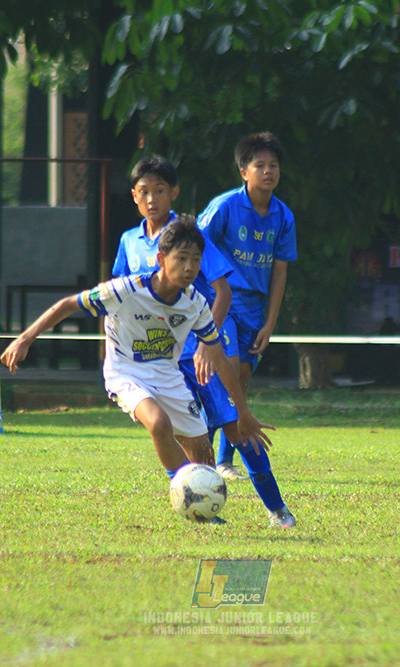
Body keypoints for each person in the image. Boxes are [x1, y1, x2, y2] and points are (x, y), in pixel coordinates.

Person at [0, 217, 273, 524]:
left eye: (196, 260)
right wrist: (25, 338)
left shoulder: (195, 303)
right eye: (181, 258)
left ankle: (203, 506)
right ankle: (188, 495)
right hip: (125, 373)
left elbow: (219, 358)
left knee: (202, 453)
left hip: (167, 374)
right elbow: (68, 304)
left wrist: (243, 411)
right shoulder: (125, 290)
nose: (189, 268)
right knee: (158, 423)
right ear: (161, 259)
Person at [113, 157, 296, 528]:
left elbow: (222, 291)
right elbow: (120, 295)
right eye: (144, 192)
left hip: (201, 352)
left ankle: (278, 511)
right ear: (134, 196)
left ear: (174, 193)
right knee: (187, 438)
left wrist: (204, 342)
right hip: (160, 361)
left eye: (159, 191)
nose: (152, 199)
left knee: (238, 428)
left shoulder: (189, 235)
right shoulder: (129, 241)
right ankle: (203, 511)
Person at [197, 132, 297, 481]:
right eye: (260, 165)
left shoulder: (283, 216)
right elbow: (194, 246)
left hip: (255, 309)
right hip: (223, 302)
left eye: (273, 165)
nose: (268, 171)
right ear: (244, 172)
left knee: (241, 380)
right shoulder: (224, 207)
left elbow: (280, 271)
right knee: (225, 377)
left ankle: (224, 460)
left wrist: (270, 322)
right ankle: (202, 458)